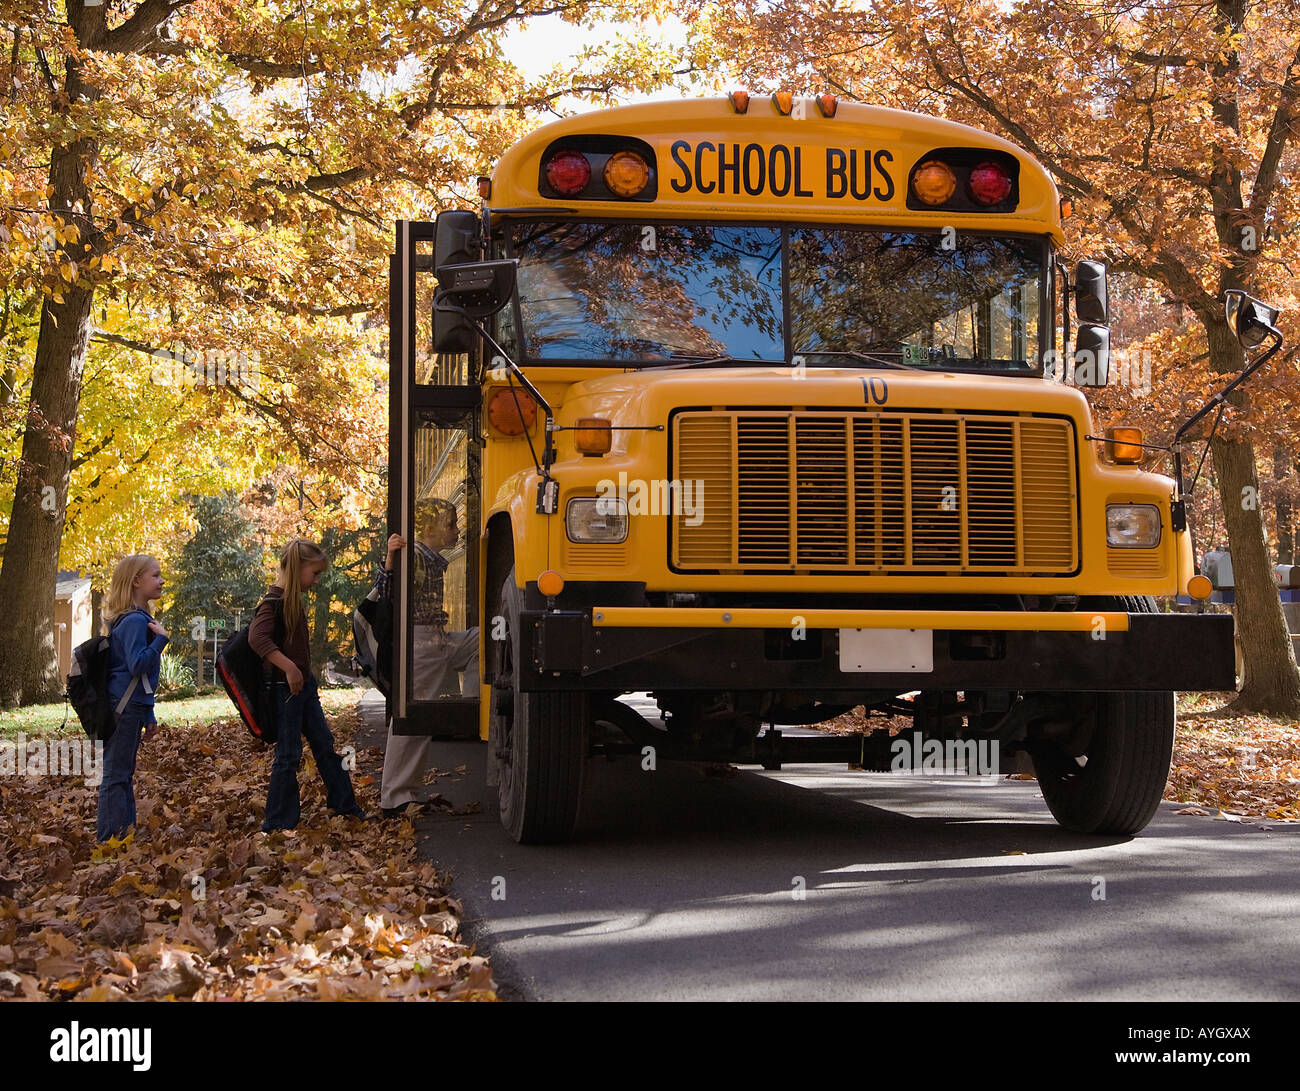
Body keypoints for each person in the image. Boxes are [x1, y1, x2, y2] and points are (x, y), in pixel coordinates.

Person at [250, 538, 365, 832]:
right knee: (288, 755)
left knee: (325, 746)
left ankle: (345, 807)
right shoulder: (273, 602)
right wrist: (288, 667)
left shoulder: (292, 601)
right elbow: (257, 639)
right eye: (314, 574)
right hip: (286, 691)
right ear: (298, 568)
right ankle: (277, 822)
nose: (315, 581)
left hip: (305, 688)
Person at [378, 498, 479, 818]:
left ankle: (473, 708)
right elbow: (389, 596)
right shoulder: (417, 558)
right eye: (451, 524)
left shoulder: (428, 558)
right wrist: (390, 560)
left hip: (439, 640)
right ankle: (394, 797)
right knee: (412, 718)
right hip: (422, 644)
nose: (456, 530)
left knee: (483, 640)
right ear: (431, 528)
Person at [98, 554, 170, 842]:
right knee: (115, 774)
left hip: (133, 706)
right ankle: (109, 838)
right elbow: (138, 665)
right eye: (155, 575)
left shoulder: (141, 620)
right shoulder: (133, 622)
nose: (162, 580)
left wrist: (149, 713)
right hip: (123, 706)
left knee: (123, 773)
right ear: (136, 581)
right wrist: (161, 642)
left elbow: (143, 678)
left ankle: (123, 833)